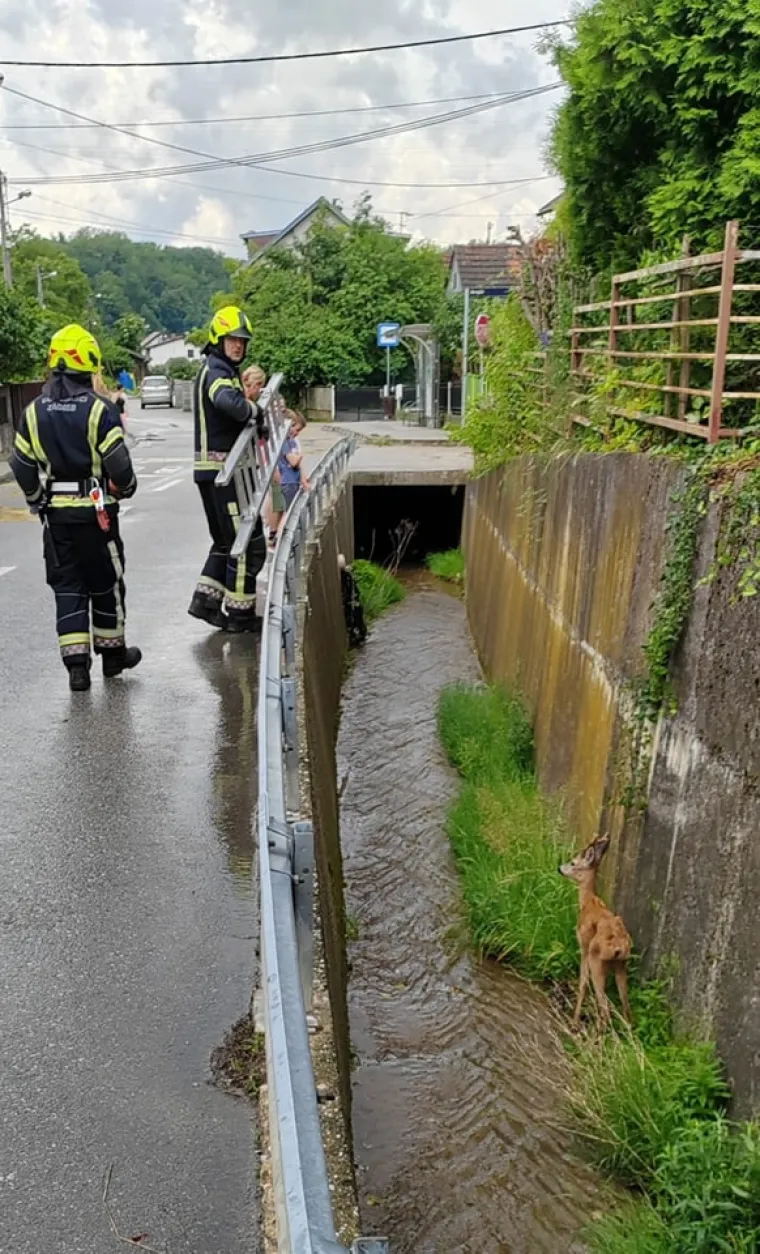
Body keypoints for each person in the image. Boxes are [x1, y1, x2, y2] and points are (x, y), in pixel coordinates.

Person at [10, 323, 141, 692]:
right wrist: (126, 488)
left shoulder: (33, 411)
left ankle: (76, 669)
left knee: (67, 587)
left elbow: (20, 464)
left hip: (57, 517)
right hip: (96, 515)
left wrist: (37, 500)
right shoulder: (100, 410)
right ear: (88, 362)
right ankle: (113, 657)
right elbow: (119, 466)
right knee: (106, 583)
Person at [188, 306, 269, 633]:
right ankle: (240, 615)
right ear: (218, 340)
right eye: (232, 340)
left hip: (216, 473)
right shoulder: (217, 372)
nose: (238, 346)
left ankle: (205, 602)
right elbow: (230, 405)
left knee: (225, 543)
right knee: (243, 542)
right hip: (224, 474)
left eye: (242, 341)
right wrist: (254, 410)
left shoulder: (217, 368)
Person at [278, 410, 311, 513]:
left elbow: (297, 464)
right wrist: (300, 456)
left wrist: (303, 479)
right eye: (296, 429)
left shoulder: (292, 442)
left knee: (288, 511)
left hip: (292, 480)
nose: (297, 434)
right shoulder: (284, 442)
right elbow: (293, 462)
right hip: (287, 481)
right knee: (288, 512)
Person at [338, 553, 367, 647]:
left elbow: (352, 591)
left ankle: (358, 638)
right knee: (355, 621)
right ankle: (358, 637)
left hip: (352, 604)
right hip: (353, 603)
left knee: (355, 621)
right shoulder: (348, 576)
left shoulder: (347, 577)